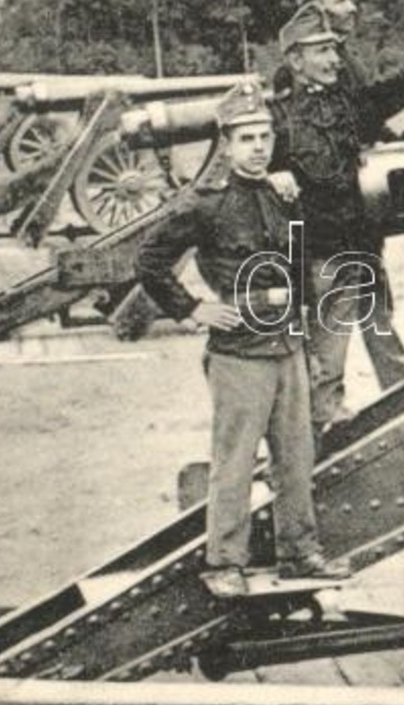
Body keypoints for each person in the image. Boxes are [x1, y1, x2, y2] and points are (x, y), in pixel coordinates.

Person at [134, 84, 347, 592]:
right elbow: (149, 261)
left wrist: (311, 346)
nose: (258, 146)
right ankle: (225, 563)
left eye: (265, 135)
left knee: (297, 459)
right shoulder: (205, 204)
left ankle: (301, 552)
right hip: (240, 353)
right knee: (233, 461)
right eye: (246, 137)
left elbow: (299, 275)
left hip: (287, 349)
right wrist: (193, 309)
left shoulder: (282, 196)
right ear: (225, 145)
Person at [273, 2, 404, 433]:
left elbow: (402, 85)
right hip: (311, 259)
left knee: (336, 359)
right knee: (313, 364)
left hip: (353, 251)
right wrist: (274, 176)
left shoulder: (347, 107)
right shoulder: (275, 122)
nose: (332, 59)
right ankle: (309, 443)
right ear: (295, 61)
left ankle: (340, 420)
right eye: (320, 51)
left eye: (333, 49)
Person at [272, 0, 369, 94]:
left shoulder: (349, 59)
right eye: (340, 0)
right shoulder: (297, 70)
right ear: (317, 10)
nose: (352, 8)